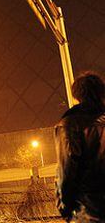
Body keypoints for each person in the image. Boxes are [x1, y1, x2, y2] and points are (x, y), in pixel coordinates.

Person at [55, 72, 105, 222]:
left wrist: (64, 206)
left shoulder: (70, 124)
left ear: (76, 95)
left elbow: (67, 169)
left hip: (88, 210)